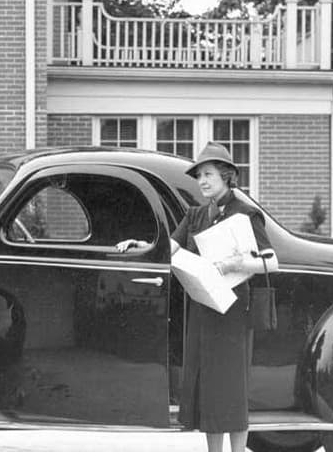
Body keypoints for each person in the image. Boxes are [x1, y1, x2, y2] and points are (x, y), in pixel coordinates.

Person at [116, 142, 271, 452]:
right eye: (199, 175)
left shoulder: (246, 213)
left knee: (232, 389)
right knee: (209, 390)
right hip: (203, 309)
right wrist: (140, 245)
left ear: (227, 176)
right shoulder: (195, 215)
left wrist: (237, 263)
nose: (202, 181)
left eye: (208, 174)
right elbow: (170, 248)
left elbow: (271, 261)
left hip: (233, 313)